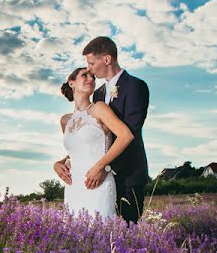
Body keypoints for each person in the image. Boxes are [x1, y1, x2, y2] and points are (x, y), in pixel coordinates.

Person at [54, 36, 150, 223]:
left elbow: (130, 132)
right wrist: (63, 161)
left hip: (127, 173)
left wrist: (105, 167)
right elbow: (94, 139)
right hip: (90, 177)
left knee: (125, 236)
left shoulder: (135, 86)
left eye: (91, 63)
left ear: (106, 59)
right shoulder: (97, 94)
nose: (89, 69)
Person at [54, 66, 133, 218]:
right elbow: (76, 150)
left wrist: (100, 166)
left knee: (102, 233)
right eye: (85, 75)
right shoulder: (65, 120)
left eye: (93, 77)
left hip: (98, 183)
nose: (91, 79)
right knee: (75, 236)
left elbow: (125, 136)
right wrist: (58, 163)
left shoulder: (99, 108)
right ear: (72, 83)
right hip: (73, 186)